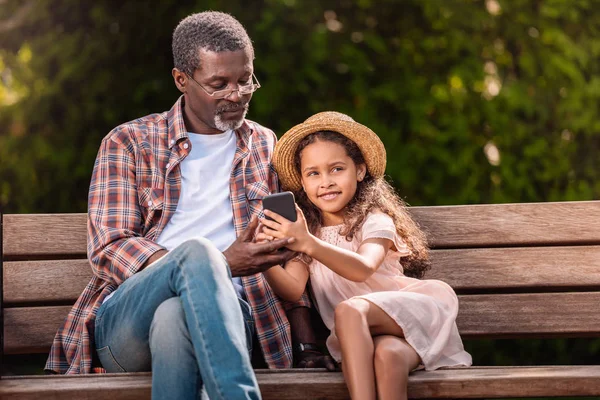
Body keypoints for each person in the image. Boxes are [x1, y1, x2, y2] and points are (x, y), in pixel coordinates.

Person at [44, 11, 332, 400]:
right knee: (197, 253)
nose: (237, 94)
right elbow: (109, 245)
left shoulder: (265, 144)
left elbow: (289, 244)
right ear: (182, 80)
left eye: (245, 80)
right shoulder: (129, 142)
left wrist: (307, 339)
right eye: (219, 84)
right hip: (128, 323)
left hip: (233, 315)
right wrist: (218, 263)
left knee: (176, 316)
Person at [258, 111, 473, 400]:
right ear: (302, 182)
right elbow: (292, 289)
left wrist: (308, 243)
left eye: (336, 169)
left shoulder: (374, 219)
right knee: (388, 357)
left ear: (359, 171)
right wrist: (264, 257)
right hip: (370, 340)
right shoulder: (310, 233)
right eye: (313, 173)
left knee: (348, 309)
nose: (326, 182)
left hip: (411, 318)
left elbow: (363, 268)